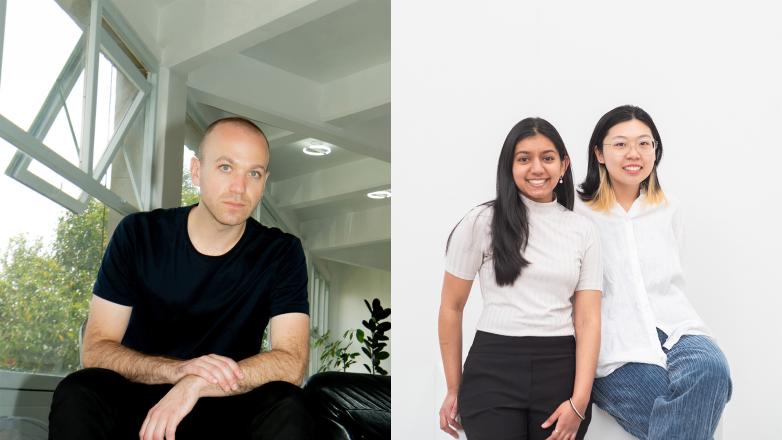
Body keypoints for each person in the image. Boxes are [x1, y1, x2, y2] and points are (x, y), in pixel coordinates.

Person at [49, 117, 315, 440]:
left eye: (254, 173)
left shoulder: (281, 253)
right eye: (226, 167)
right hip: (140, 401)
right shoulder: (138, 235)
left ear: (264, 181)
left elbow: (291, 363)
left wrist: (197, 383)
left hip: (223, 400)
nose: (239, 188)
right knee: (79, 391)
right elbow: (96, 349)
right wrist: (177, 371)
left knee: (289, 404)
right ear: (196, 171)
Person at [438, 117, 602, 440]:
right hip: (492, 367)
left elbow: (588, 320)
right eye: (524, 158)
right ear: (509, 166)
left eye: (548, 158)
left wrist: (580, 401)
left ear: (564, 165)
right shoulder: (481, 222)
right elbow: (450, 307)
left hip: (560, 370)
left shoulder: (583, 231)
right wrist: (453, 387)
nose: (537, 168)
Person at [575, 105, 732, 440]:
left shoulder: (669, 206)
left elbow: (669, 276)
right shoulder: (577, 213)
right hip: (613, 347)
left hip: (676, 327)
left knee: (714, 370)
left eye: (645, 144)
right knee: (671, 408)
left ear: (655, 151)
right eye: (620, 144)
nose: (634, 154)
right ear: (599, 153)